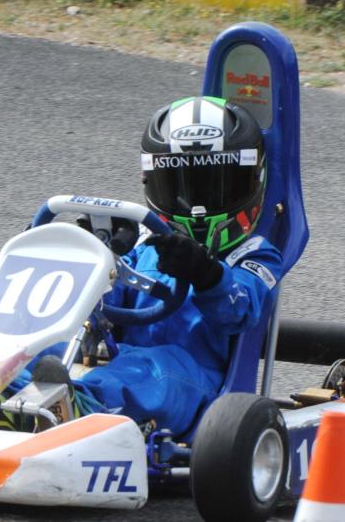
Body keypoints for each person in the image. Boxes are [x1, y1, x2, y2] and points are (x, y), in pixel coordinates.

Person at [33, 96, 283, 438]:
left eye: (212, 186)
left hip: (197, 387)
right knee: (46, 349)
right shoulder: (145, 242)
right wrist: (101, 254)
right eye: (181, 186)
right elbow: (103, 304)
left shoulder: (255, 254)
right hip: (122, 361)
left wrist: (207, 273)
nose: (196, 205)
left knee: (150, 370)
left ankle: (79, 410)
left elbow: (240, 310)